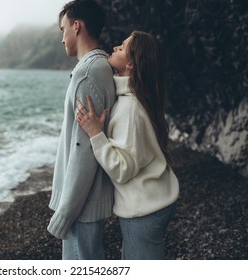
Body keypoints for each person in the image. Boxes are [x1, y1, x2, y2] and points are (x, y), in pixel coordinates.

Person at [75, 31, 180, 259]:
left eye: (122, 48)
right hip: (155, 200)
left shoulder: (130, 109)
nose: (114, 47)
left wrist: (95, 134)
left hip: (144, 210)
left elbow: (121, 169)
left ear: (131, 64)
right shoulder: (134, 98)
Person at [47, 0, 116, 260]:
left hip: (81, 204)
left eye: (62, 29)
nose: (62, 38)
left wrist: (65, 212)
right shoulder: (99, 67)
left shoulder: (87, 73)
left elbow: (83, 147)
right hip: (86, 199)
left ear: (77, 26)